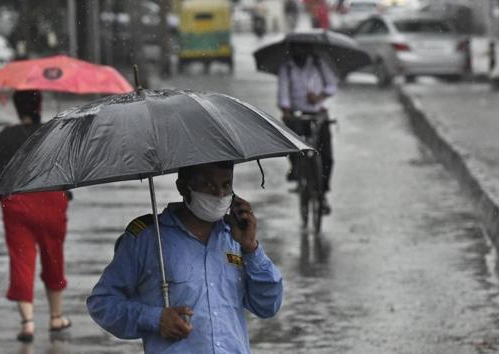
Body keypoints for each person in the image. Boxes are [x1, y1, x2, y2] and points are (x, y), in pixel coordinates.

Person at [87, 161, 283, 354]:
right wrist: (155, 318)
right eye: (208, 184)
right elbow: (102, 304)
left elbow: (268, 306)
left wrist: (251, 249)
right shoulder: (147, 238)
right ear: (183, 187)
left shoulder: (236, 238)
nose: (220, 194)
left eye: (226, 185)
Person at [0, 90, 72, 342]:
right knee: (53, 257)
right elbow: (69, 169)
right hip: (51, 201)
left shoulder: (6, 136)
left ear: (17, 106)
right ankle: (56, 317)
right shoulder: (52, 134)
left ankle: (28, 323)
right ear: (39, 105)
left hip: (17, 203)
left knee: (21, 260)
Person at [277, 43, 338, 213]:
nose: (299, 50)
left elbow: (332, 85)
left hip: (318, 113)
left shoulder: (319, 64)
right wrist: (285, 108)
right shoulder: (287, 67)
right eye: (296, 48)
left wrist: (319, 96)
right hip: (296, 114)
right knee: (294, 146)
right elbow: (283, 93)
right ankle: (297, 173)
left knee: (326, 156)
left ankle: (323, 194)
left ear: (309, 48)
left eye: (302, 47)